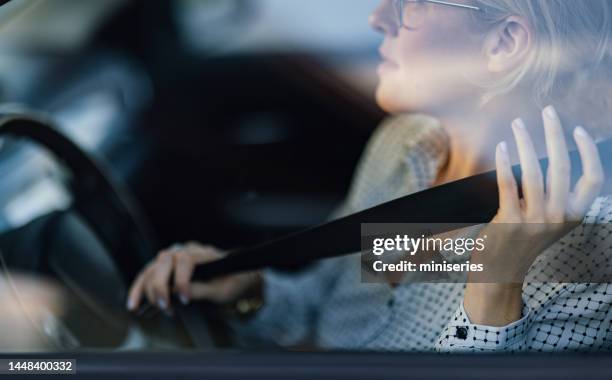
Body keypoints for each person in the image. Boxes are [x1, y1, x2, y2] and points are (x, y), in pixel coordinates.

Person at [126, 0, 612, 352]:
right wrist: (249, 290)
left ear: (504, 42)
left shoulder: (591, 241)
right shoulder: (405, 146)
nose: (377, 17)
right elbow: (329, 307)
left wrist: (496, 282)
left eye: (412, 2)